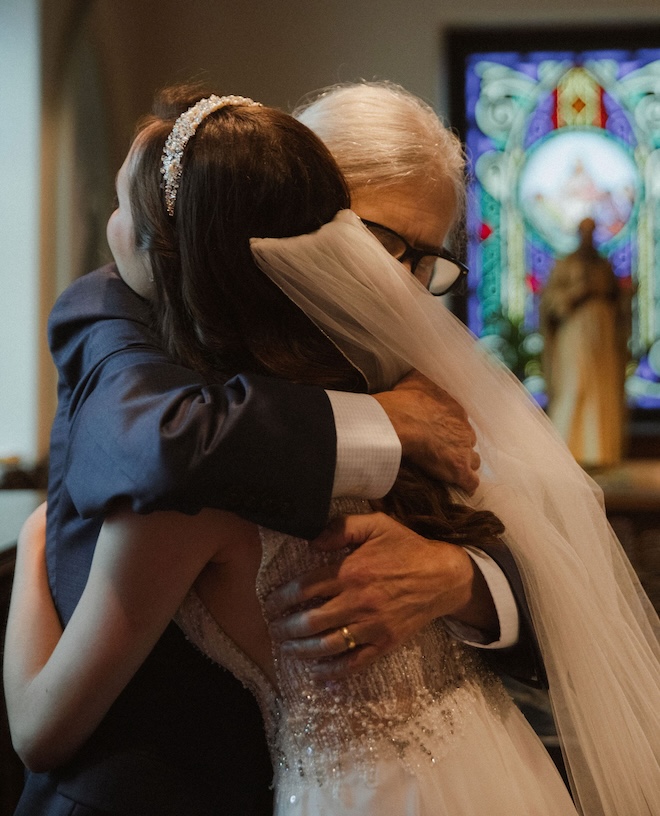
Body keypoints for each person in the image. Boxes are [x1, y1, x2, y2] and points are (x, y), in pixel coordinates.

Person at [5, 89, 658, 816]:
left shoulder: (418, 378)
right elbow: (160, 444)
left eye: (425, 264)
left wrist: (460, 580)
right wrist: (378, 423)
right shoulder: (125, 322)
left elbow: (563, 568)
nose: (399, 290)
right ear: (283, 210)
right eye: (380, 246)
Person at [540, 216, 629, 468]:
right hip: (575, 334)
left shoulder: (604, 266)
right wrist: (577, 293)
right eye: (585, 231)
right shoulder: (565, 265)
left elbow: (618, 301)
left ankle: (598, 452)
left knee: (600, 390)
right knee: (575, 385)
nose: (589, 237)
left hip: (603, 336)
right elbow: (550, 303)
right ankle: (569, 450)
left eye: (593, 231)